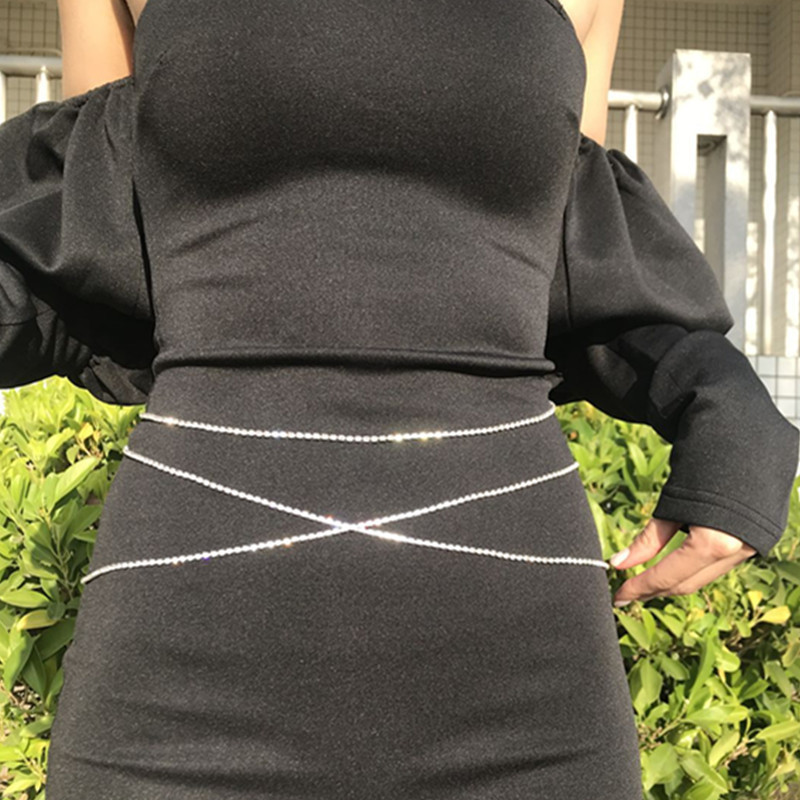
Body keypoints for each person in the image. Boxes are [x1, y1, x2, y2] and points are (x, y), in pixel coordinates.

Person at [0, 0, 796, 797]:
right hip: (181, 657)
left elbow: (569, 258)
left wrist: (719, 400)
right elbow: (87, 235)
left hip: (523, 673)